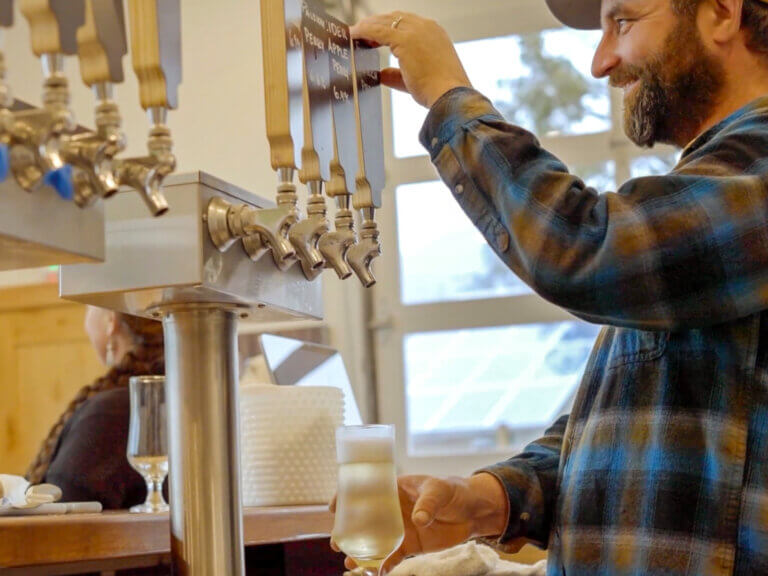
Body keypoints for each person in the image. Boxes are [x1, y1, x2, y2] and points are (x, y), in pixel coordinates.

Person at [341, 0, 768, 574]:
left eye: (623, 21)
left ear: (721, 13)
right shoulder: (712, 196)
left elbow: (585, 247)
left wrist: (447, 95)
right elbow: (638, 421)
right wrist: (493, 498)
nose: (601, 61)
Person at [26, 307, 165, 510]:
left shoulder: (109, 416)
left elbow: (57, 523)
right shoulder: (186, 395)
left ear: (111, 320)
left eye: (88, 306)